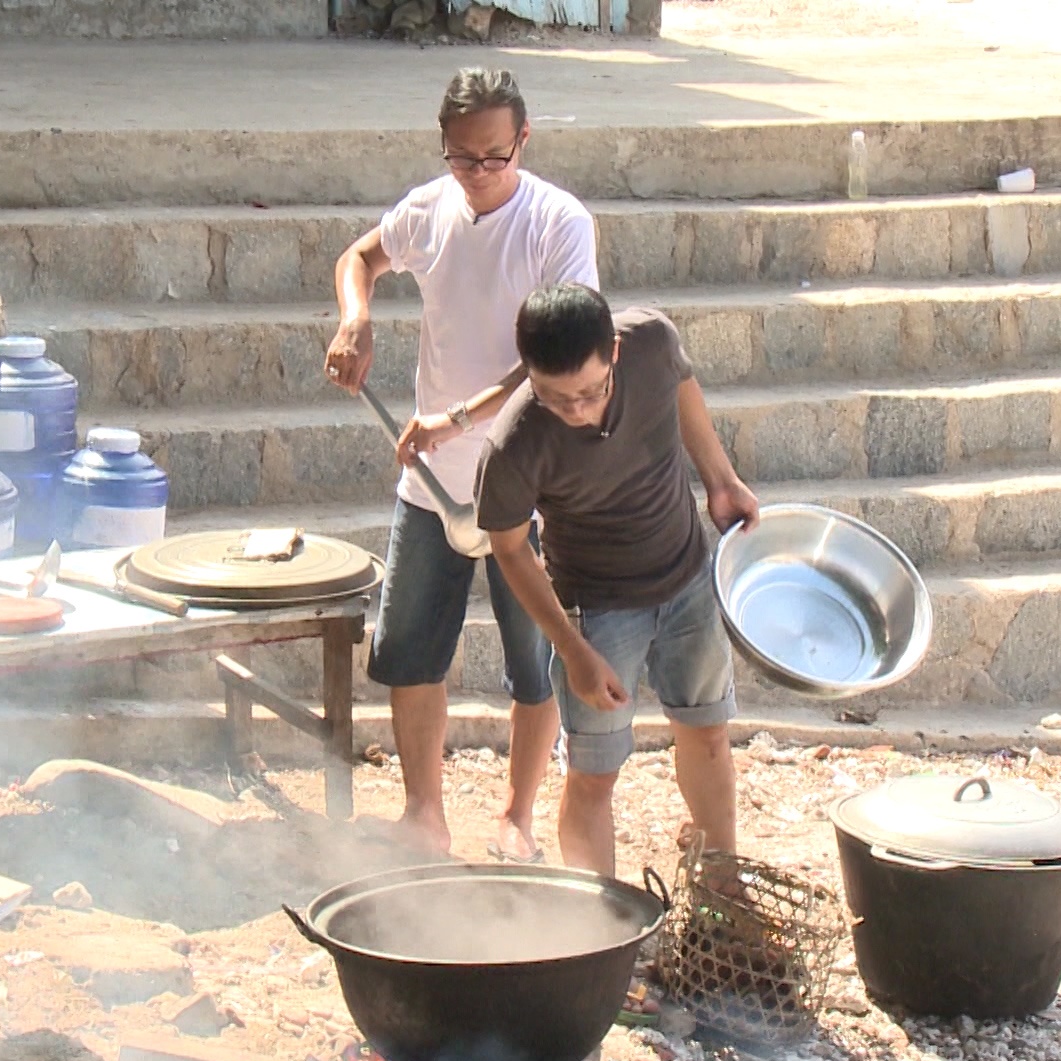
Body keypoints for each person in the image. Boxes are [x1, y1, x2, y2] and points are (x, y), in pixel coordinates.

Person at [323, 68, 598, 861]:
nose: (478, 176)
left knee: (535, 659)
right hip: (432, 480)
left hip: (532, 478)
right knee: (410, 648)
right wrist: (356, 319)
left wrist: (459, 419)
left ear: (524, 140)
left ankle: (517, 815)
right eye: (461, 158)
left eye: (494, 158)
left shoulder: (558, 224)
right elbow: (360, 258)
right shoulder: (429, 210)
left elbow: (562, 355)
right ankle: (425, 815)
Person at [475, 283, 759, 878]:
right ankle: (598, 920)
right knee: (594, 771)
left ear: (615, 353)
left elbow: (681, 385)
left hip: (687, 578)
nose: (576, 411)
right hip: (596, 610)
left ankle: (722, 879)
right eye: (555, 398)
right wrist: (572, 650)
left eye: (589, 392)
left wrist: (721, 478)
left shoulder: (652, 341)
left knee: (707, 735)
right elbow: (510, 550)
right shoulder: (512, 446)